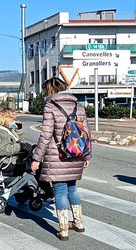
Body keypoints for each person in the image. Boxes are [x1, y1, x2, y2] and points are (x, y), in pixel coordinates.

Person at [31, 77, 91, 241]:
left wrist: (36, 158)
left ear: (50, 90)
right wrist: (87, 155)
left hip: (58, 155)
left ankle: (63, 229)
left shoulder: (50, 106)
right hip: (77, 153)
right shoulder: (78, 106)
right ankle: (78, 222)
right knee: (72, 189)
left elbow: (45, 135)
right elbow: (86, 133)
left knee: (60, 191)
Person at [0, 108, 32, 176]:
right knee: (36, 164)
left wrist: (19, 129)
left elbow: (18, 141)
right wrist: (20, 147)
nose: (14, 121)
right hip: (7, 162)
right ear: (5, 119)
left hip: (10, 159)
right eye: (12, 119)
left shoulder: (6, 130)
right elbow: (3, 149)